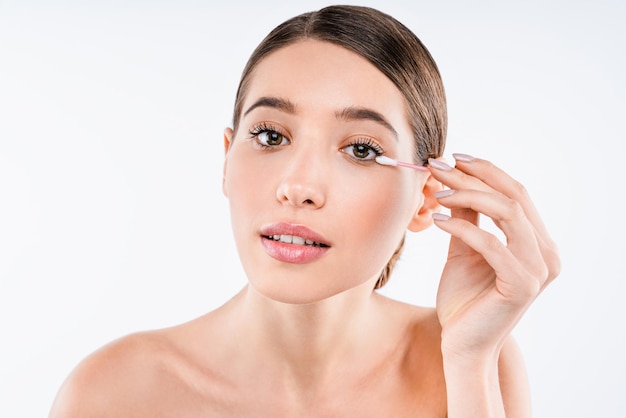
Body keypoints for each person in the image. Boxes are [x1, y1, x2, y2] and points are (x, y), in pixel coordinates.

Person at [49, 5, 560, 417]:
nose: (298, 186)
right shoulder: (112, 395)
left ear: (426, 196)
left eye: (361, 149)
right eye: (270, 135)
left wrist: (469, 362)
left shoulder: (478, 364)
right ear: (227, 161)